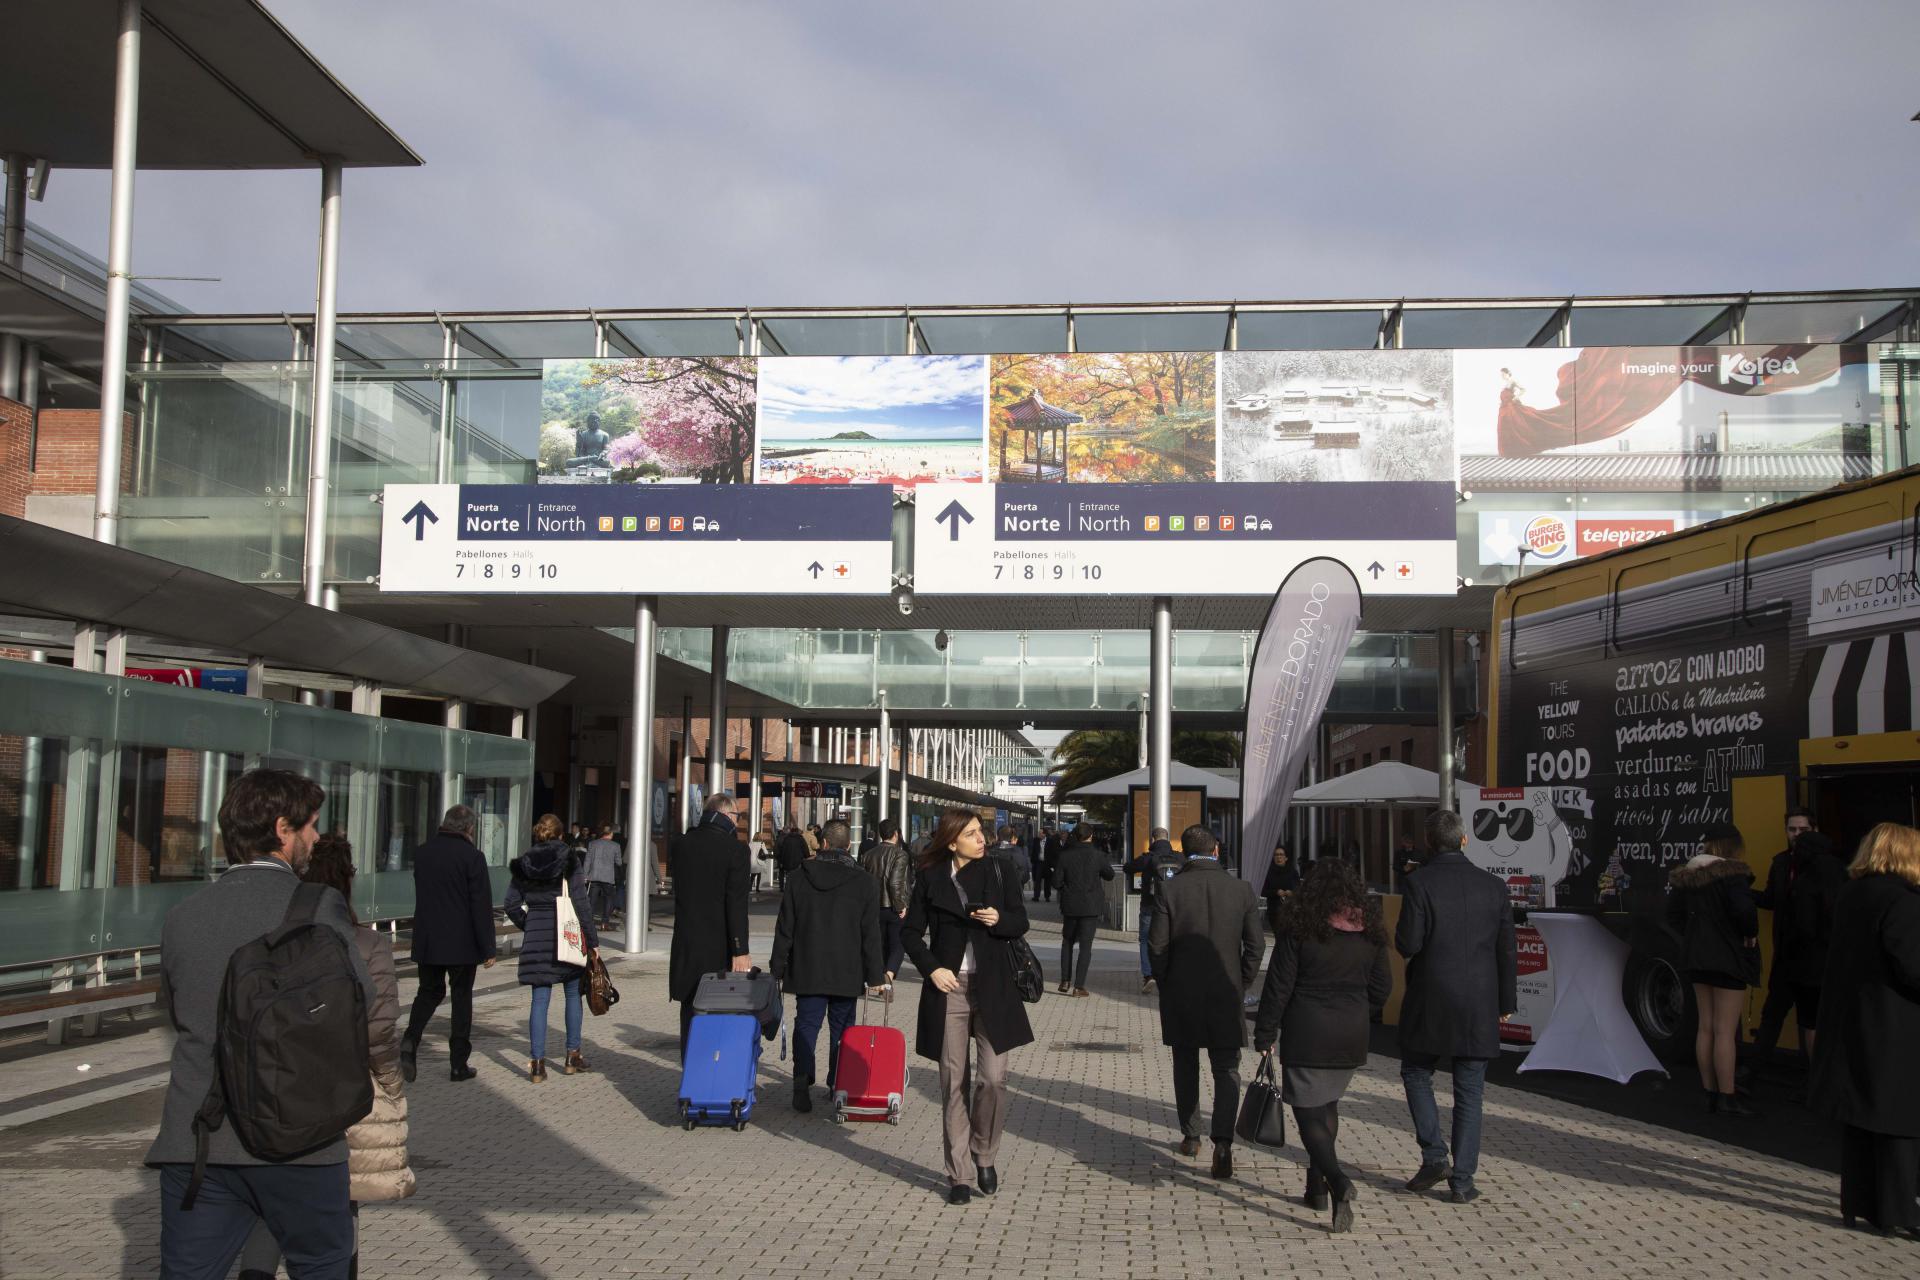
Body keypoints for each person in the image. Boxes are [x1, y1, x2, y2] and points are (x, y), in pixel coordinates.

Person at [146, 768, 373, 1280]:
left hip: (198, 1140)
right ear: (282, 829)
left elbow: (180, 1009)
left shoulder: (184, 914)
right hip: (300, 1136)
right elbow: (362, 1000)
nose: (316, 837)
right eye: (310, 825)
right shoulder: (318, 907)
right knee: (321, 1264)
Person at [237, 835, 416, 1280]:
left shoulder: (274, 940)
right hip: (344, 1089)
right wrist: (390, 1081)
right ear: (349, 883)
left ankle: (255, 1272)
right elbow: (379, 1028)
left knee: (274, 1197)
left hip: (276, 1084)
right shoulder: (368, 944)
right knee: (343, 1196)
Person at [903, 808, 1034, 1206]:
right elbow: (910, 933)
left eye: (982, 833)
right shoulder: (930, 877)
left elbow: (1021, 921)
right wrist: (931, 969)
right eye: (974, 834)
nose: (982, 839)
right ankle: (958, 1174)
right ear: (952, 839)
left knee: (992, 1079)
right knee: (952, 1082)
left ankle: (985, 1153)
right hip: (949, 990)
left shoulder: (999, 871)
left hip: (993, 988)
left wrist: (999, 919)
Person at [1253, 859, 1391, 1233]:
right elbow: (1382, 988)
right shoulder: (1370, 930)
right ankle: (1316, 1190)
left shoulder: (1298, 930)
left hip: (1308, 1030)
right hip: (1351, 1032)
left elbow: (1278, 987)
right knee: (1326, 1106)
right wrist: (1358, 1009)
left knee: (1308, 1112)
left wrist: (1265, 1034)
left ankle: (1336, 1180)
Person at [1397, 808, 1517, 1204]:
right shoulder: (1493, 886)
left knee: (1416, 1071)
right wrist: (1507, 1001)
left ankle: (1434, 1154)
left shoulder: (1419, 884)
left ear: (1429, 843)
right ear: (1464, 840)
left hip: (1432, 995)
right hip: (1479, 999)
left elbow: (1408, 945)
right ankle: (1463, 1180)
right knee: (1470, 1090)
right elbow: (1506, 950)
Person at [1809, 822, 1920, 1238]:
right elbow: (1913, 967)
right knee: (1900, 1120)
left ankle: (1857, 1203)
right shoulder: (1904, 901)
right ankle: (1900, 1212)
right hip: (1895, 1024)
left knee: (1861, 1119)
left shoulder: (1853, 893)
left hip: (1853, 1019)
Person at [1148, 825, 1264, 1181]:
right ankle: (1224, 1143)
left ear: (1184, 853)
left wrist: (1166, 981)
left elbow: (1156, 946)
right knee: (1227, 1067)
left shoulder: (1170, 889)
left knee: (1186, 1064)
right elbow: (1256, 947)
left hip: (1182, 993)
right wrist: (1241, 982)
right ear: (1216, 851)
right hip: (1226, 993)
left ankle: (1191, 1134)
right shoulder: (1241, 890)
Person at [772, 818, 886, 1113]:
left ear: (823, 844)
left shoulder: (798, 878)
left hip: (808, 965)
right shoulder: (865, 882)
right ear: (849, 845)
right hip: (847, 969)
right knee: (843, 1028)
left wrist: (777, 968)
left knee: (807, 1024)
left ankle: (801, 1080)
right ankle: (838, 1082)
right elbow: (870, 934)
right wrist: (875, 975)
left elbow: (785, 927)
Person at [1665, 823, 1761, 1117]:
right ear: (1732, 845)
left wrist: (1694, 936)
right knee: (1725, 1031)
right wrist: (1749, 933)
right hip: (1728, 957)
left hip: (1697, 957)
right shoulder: (1733, 875)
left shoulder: (1688, 876)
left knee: (1705, 1026)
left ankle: (1708, 1092)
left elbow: (1673, 915)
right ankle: (1727, 1096)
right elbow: (1744, 911)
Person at [401, 804, 497, 1084]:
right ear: (469, 829)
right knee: (461, 998)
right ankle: (458, 1064)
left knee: (428, 992)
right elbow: (480, 904)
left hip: (429, 939)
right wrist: (487, 947)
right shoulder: (472, 857)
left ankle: (410, 1038)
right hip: (462, 942)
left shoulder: (423, 853)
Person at [505, 813, 599, 1083]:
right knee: (572, 994)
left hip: (536, 933)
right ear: (560, 835)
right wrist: (591, 941)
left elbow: (511, 903)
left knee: (540, 999)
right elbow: (580, 902)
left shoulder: (524, 862)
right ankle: (572, 1056)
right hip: (566, 933)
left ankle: (537, 1064)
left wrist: (529, 923)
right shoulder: (569, 858)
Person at [1750, 813, 1843, 1070]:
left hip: (1811, 957)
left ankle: (1815, 1078)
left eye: (1803, 829)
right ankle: (1753, 1071)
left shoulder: (1827, 870)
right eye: (1792, 829)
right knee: (1773, 1014)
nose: (1797, 835)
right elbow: (1770, 899)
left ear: (1815, 830)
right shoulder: (1780, 863)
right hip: (1787, 956)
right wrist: (1740, 892)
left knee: (1810, 1019)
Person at [667, 793, 753, 1059]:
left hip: (687, 943)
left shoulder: (681, 844)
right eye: (737, 817)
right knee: (718, 1009)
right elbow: (736, 903)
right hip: (719, 945)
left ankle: (689, 1074)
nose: (737, 823)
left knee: (689, 1009)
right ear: (727, 815)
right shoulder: (736, 850)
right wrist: (740, 949)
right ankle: (713, 1074)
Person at [1053, 828, 1114, 996]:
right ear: (1091, 836)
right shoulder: (1098, 855)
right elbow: (1110, 875)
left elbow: (1056, 882)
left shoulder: (1065, 856)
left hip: (1070, 905)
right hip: (1090, 905)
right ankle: (1079, 986)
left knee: (1067, 942)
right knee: (1086, 946)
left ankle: (1065, 980)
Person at [1127, 827, 1185, 995]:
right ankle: (1171, 975)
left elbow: (1128, 867)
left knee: (1145, 939)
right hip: (1173, 906)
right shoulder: (1180, 857)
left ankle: (1148, 975)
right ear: (1168, 839)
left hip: (1149, 905)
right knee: (1172, 940)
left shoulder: (1149, 858)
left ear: (1153, 840)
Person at [859, 817, 913, 987]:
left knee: (880, 944)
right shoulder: (900, 854)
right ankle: (888, 975)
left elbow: (863, 882)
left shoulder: (867, 855)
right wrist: (901, 905)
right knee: (898, 943)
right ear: (896, 834)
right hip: (893, 907)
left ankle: (881, 982)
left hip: (874, 906)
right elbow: (895, 883)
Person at [583, 825, 622, 929]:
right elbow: (619, 862)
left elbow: (587, 861)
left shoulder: (592, 844)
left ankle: (589, 922)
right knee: (609, 899)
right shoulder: (616, 845)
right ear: (611, 834)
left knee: (592, 900)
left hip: (594, 876)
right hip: (608, 877)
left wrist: (585, 875)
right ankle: (605, 922)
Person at [1260, 842, 1300, 934]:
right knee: (1279, 937)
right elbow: (1263, 891)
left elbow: (1299, 890)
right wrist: (1276, 892)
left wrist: (1292, 893)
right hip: (1275, 911)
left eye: (1281, 855)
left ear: (1286, 857)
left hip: (1290, 911)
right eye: (1276, 855)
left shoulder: (1292, 872)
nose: (1278, 857)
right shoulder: (1268, 873)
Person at [991, 825, 1032, 890]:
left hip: (994, 892)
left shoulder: (990, 853)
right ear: (1012, 837)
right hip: (1014, 892)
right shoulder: (1018, 853)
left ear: (997, 836)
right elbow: (1025, 876)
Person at [777, 820, 811, 890]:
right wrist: (807, 857)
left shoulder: (787, 839)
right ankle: (795, 888)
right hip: (798, 861)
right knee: (797, 876)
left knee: (789, 875)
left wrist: (782, 861)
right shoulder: (800, 839)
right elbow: (805, 850)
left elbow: (783, 851)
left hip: (788, 861)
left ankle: (788, 887)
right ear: (797, 832)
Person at [749, 825, 778, 896]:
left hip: (752, 861)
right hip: (759, 861)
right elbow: (765, 852)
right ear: (760, 837)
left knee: (752, 875)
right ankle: (757, 888)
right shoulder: (761, 843)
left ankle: (749, 887)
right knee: (758, 874)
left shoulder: (750, 843)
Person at [1029, 826, 1053, 903]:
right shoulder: (1035, 840)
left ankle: (1047, 896)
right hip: (1038, 863)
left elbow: (1052, 853)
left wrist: (1052, 864)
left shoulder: (1050, 841)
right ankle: (1036, 896)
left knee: (1047, 881)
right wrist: (1033, 861)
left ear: (1044, 834)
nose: (1038, 834)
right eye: (1038, 833)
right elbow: (1032, 851)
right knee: (1037, 880)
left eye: (1040, 833)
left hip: (1047, 863)